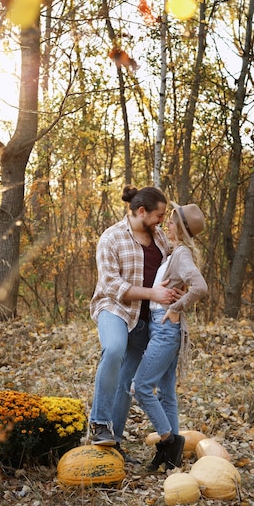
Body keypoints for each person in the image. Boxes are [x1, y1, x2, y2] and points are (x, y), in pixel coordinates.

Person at [89, 185, 178, 452]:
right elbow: (111, 285)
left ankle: (112, 442)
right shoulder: (111, 238)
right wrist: (153, 293)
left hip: (145, 317)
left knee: (126, 380)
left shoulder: (160, 238)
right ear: (142, 211)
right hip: (114, 308)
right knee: (114, 349)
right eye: (159, 215)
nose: (161, 220)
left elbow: (173, 266)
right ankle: (99, 423)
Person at [131, 202, 208, 471]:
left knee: (140, 387)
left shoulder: (182, 253)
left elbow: (200, 286)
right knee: (165, 392)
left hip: (165, 329)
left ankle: (168, 440)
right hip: (160, 327)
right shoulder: (174, 252)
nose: (167, 225)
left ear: (182, 229)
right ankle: (172, 459)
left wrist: (177, 306)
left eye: (172, 222)